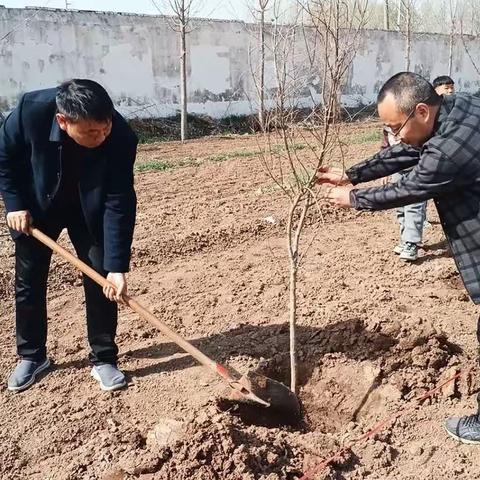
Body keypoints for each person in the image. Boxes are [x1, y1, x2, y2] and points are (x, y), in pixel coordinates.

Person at [317, 71, 480, 444]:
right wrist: (353, 175)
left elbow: (413, 184)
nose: (392, 135)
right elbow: (410, 149)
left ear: (421, 111)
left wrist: (354, 198)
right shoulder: (459, 106)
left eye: (394, 126)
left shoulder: (448, 151)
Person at [0, 79, 137, 392]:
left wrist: (117, 268)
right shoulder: (29, 112)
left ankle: (104, 358)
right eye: (92, 132)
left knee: (101, 277)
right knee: (29, 280)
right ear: (63, 121)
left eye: (105, 128)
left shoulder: (121, 136)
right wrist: (15, 205)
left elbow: (120, 201)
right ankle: (32, 356)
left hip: (89, 210)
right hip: (36, 208)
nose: (101, 136)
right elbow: (4, 158)